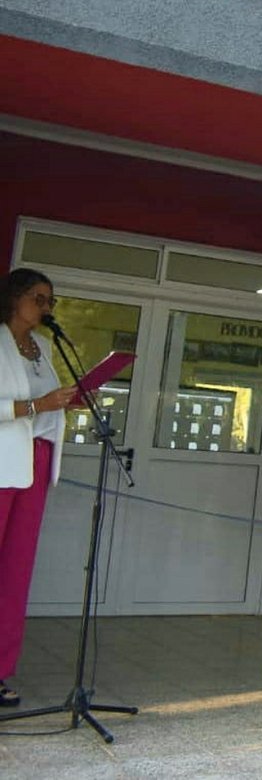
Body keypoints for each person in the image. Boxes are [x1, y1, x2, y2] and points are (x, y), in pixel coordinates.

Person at [0, 269, 76, 709]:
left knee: (15, 572)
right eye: (39, 298)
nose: (46, 308)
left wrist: (64, 403)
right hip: (3, 461)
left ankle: (0, 669)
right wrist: (37, 405)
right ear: (14, 298)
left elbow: (45, 405)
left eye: (51, 301)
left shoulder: (44, 347)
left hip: (37, 460)